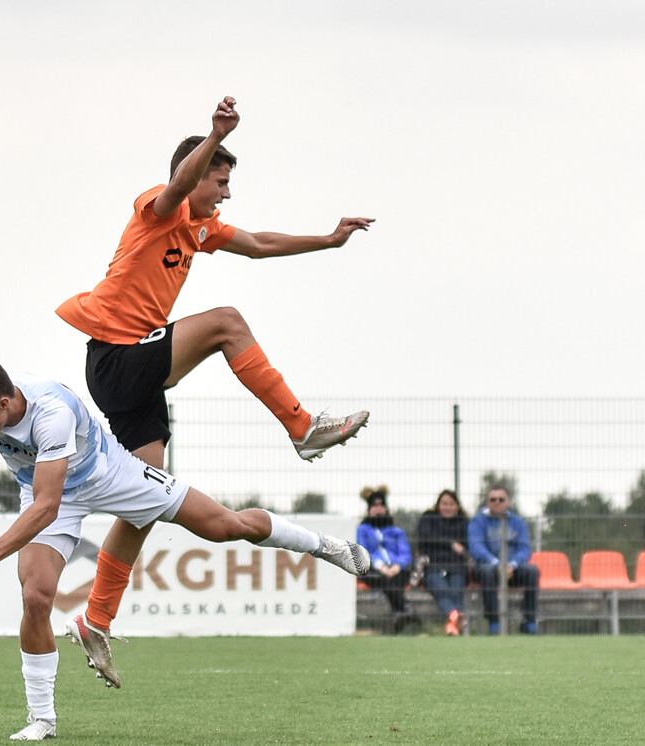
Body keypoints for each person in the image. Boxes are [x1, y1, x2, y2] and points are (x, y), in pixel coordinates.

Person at [0, 328, 371, 741]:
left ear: (8, 402)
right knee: (35, 596)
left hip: (108, 476)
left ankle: (327, 547)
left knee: (225, 526)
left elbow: (47, 506)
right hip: (46, 492)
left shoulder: (50, 417)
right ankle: (42, 720)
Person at [55, 96, 375, 679]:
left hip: (135, 370)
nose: (226, 193)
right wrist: (213, 133)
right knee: (227, 321)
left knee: (142, 505)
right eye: (221, 181)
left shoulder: (201, 229)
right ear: (199, 173)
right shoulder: (158, 210)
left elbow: (257, 245)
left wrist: (327, 241)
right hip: (118, 356)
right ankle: (301, 427)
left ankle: (95, 618)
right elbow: (177, 185)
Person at [467, 486, 540, 635]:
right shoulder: (478, 521)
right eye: (493, 499)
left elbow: (525, 549)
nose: (497, 502)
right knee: (487, 571)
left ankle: (529, 621)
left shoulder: (518, 522)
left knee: (532, 571)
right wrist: (497, 564)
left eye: (501, 499)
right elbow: (476, 548)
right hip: (487, 568)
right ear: (487, 501)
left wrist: (511, 565)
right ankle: (494, 622)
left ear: (508, 502)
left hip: (512, 569)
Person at [355, 486, 417, 633]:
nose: (378, 509)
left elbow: (405, 553)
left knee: (393, 579)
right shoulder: (362, 530)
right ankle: (407, 609)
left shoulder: (397, 531)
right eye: (374, 505)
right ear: (369, 509)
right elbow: (362, 551)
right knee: (384, 579)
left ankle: (399, 614)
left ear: (386, 508)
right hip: (372, 570)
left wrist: (397, 566)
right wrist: (380, 566)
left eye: (381, 505)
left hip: (397, 571)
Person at [416, 489, 469, 635]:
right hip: (432, 566)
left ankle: (452, 626)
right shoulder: (428, 518)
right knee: (443, 591)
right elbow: (426, 538)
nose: (448, 507)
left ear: (457, 506)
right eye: (444, 504)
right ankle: (455, 616)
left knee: (456, 593)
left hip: (457, 567)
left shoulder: (463, 522)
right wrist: (450, 544)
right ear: (438, 505)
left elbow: (466, 546)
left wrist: (440, 543)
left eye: (452, 504)